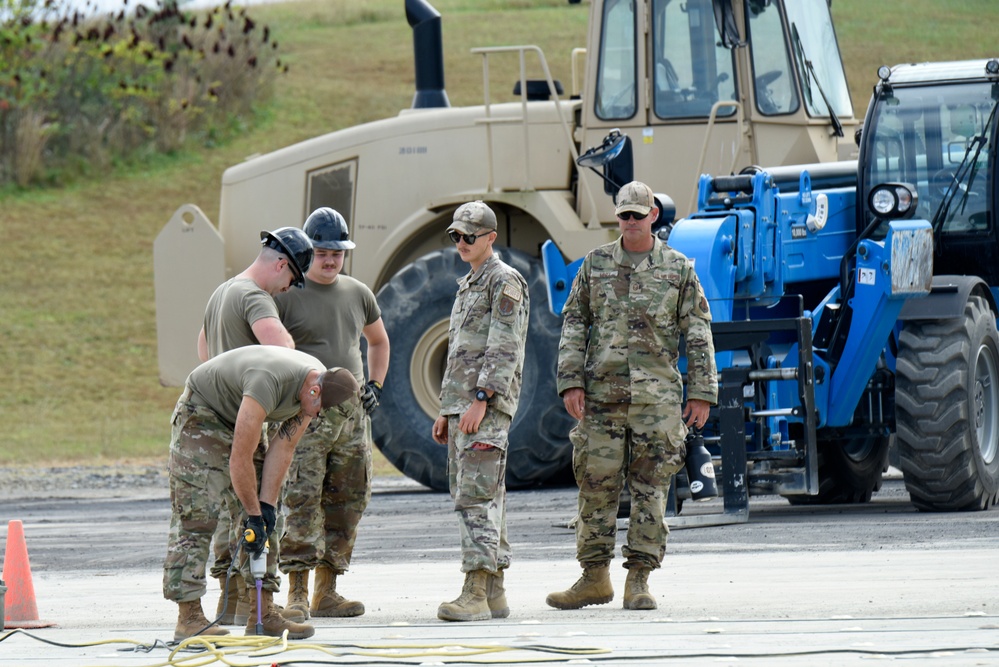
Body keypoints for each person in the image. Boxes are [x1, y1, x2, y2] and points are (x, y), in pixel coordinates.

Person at [546, 180, 717, 611]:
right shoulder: (596, 265)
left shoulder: (678, 268)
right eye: (623, 215)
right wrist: (571, 381)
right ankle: (594, 577)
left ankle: (638, 579)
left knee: (651, 489)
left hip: (656, 402)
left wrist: (701, 392)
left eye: (637, 216)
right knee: (595, 485)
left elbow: (697, 333)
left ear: (653, 216)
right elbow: (573, 324)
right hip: (601, 398)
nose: (630, 222)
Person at [162, 345, 358, 641]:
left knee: (267, 521)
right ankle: (188, 616)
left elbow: (284, 447)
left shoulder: (318, 384)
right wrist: (252, 512)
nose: (316, 417)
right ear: (314, 392)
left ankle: (263, 614)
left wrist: (264, 508)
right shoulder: (268, 381)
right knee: (197, 515)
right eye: (318, 411)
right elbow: (239, 457)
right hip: (202, 414)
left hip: (243, 417)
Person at [196, 226, 314, 627]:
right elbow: (281, 352)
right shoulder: (255, 297)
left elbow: (203, 351)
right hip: (250, 409)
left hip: (220, 411)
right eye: (292, 280)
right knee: (259, 513)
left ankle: (231, 604)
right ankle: (261, 610)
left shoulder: (222, 292)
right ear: (282, 264)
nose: (287, 289)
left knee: (231, 515)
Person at [276, 207, 390, 619]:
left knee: (348, 499)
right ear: (308, 251)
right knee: (302, 499)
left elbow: (378, 341)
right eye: (322, 252)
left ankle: (327, 590)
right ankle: (296, 593)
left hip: (351, 418)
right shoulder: (288, 294)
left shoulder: (358, 293)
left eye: (337, 253)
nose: (329, 260)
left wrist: (374, 385)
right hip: (304, 416)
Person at [431, 201, 530, 622]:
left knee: (474, 498)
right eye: (456, 235)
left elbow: (504, 345)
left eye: (469, 236)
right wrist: (446, 409)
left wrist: (482, 398)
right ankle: (494, 590)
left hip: (483, 407)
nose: (461, 243)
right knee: (488, 495)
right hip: (463, 406)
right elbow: (459, 353)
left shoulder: (503, 281)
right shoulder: (470, 283)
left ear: (490, 237)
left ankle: (474, 589)